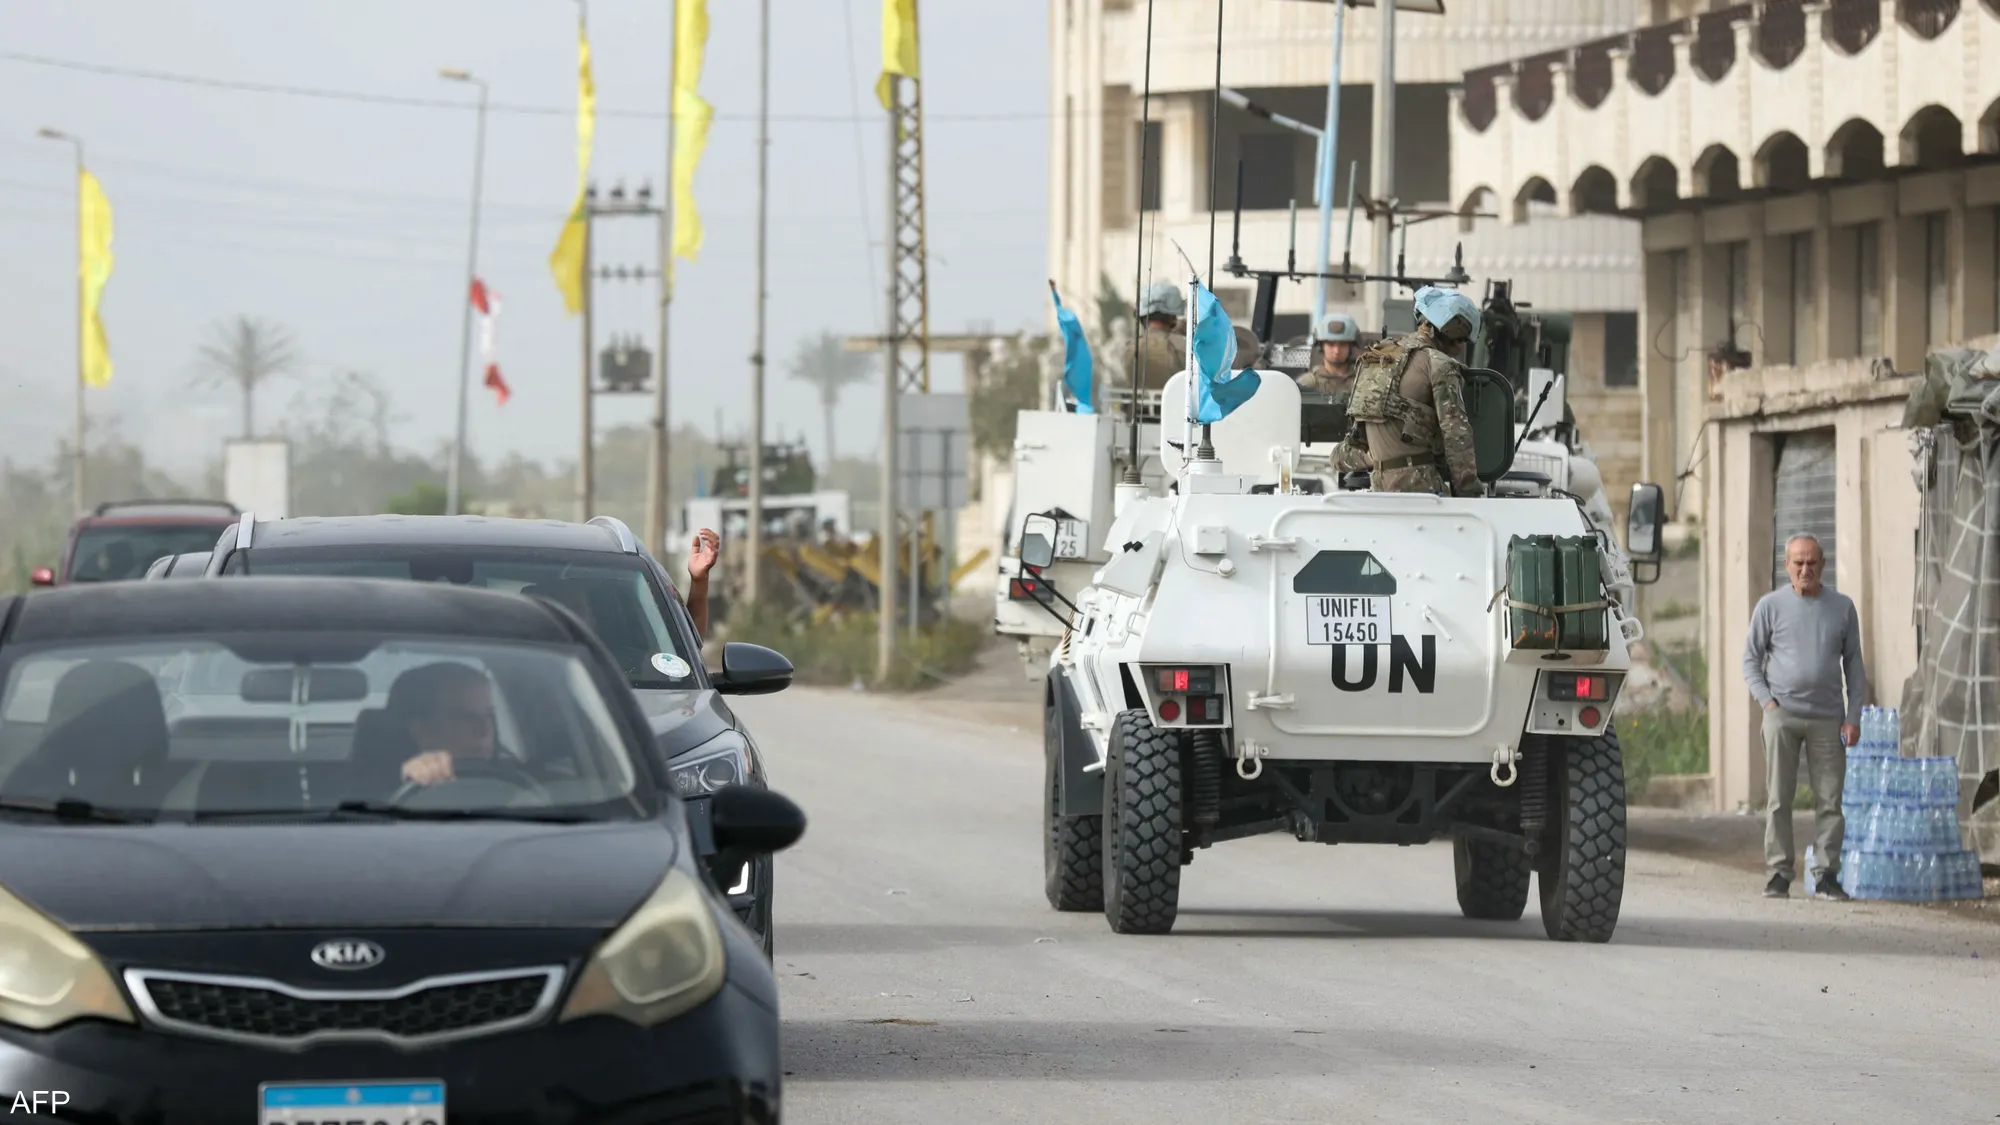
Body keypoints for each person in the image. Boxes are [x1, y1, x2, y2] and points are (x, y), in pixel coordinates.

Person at [1742, 533, 1866, 901]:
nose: (1805, 569)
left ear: (1823, 565)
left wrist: (1853, 716)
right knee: (1779, 797)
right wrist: (1767, 703)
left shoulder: (1842, 607)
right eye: (1798, 563)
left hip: (1829, 717)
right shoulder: (1770, 606)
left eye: (1812, 562)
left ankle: (1826, 875)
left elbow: (1855, 665)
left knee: (1830, 799)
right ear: (1787, 566)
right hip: (1782, 713)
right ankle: (1779, 874)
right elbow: (1750, 659)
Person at [1332, 287, 1481, 496]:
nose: (1460, 348)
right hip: (1420, 486)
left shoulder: (1378, 357)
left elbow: (1351, 447)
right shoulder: (1439, 364)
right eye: (1462, 340)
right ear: (1452, 331)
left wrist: (1375, 458)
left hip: (1379, 487)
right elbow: (1456, 434)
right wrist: (1469, 493)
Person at [392, 662, 501, 787]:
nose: (483, 730)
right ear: (422, 731)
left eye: (488, 715)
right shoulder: (375, 792)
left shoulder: (518, 781)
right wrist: (412, 778)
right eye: (465, 716)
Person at [1126, 281, 1187, 392]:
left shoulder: (1129, 349)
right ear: (1173, 316)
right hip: (1175, 407)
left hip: (1135, 408)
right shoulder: (1185, 347)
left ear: (1142, 318)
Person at [1298, 312, 1359, 405]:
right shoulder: (1308, 383)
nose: (1336, 351)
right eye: (1331, 344)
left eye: (1342, 345)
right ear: (1321, 347)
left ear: (1350, 347)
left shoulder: (1361, 382)